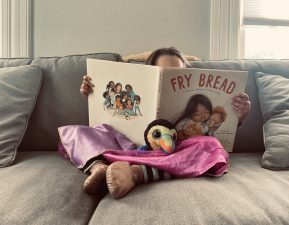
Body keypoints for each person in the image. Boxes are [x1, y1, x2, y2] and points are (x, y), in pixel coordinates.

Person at [74, 47, 251, 198]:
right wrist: (93, 93)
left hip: (173, 152)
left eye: (177, 73)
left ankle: (136, 174)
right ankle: (99, 168)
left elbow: (212, 131)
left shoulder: (192, 119)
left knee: (211, 145)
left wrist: (238, 117)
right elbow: (107, 116)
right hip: (132, 146)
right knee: (75, 132)